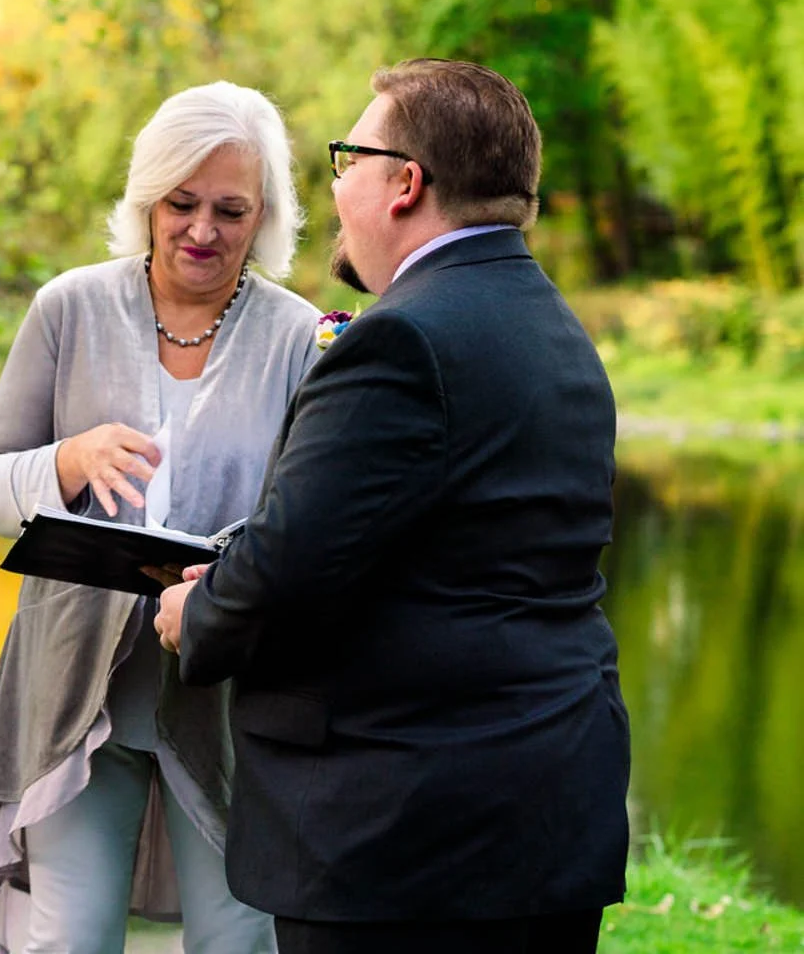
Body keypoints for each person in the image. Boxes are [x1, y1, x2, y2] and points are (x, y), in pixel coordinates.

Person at [153, 59, 631, 954]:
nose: (336, 189)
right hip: (552, 804)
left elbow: (290, 569)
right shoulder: (556, 329)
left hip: (407, 835)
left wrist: (198, 610)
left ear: (405, 184)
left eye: (349, 160)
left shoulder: (403, 342)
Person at [0, 81, 321, 954]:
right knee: (69, 940)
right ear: (147, 200)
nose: (202, 231)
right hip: (74, 686)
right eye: (182, 204)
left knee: (237, 940)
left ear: (264, 213)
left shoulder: (301, 337)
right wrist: (67, 463)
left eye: (230, 210)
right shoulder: (68, 309)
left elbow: (309, 525)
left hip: (225, 690)